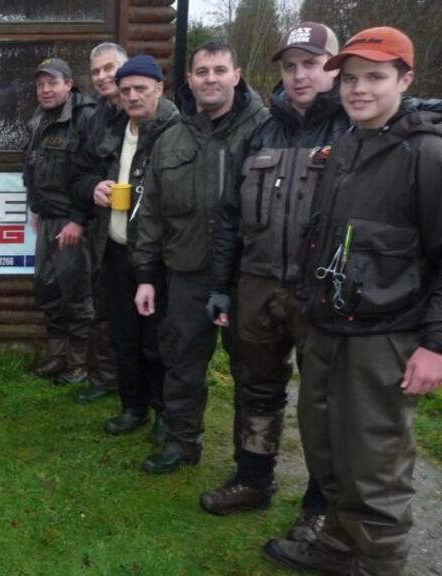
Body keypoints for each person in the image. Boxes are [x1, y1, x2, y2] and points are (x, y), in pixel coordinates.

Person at [263, 27, 442, 575]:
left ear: (405, 80)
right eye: (351, 78)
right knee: (326, 450)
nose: (358, 90)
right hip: (326, 326)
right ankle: (338, 549)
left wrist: (435, 345)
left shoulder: (428, 154)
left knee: (375, 468)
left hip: (385, 338)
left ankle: (378, 565)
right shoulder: (345, 147)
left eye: (375, 77)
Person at [203, 22, 345, 539]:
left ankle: (321, 504)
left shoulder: (359, 128)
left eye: (311, 63)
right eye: (290, 65)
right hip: (258, 284)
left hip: (323, 289)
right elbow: (228, 219)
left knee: (323, 400)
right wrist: (222, 286)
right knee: (255, 386)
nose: (300, 75)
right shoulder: (259, 133)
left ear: (335, 66)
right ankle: (253, 478)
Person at [133, 41, 267, 473]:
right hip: (187, 271)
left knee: (254, 373)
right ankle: (181, 441)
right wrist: (147, 274)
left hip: (249, 277)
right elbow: (150, 210)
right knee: (182, 360)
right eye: (202, 71)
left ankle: (251, 461)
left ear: (237, 74)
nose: (210, 78)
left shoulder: (265, 130)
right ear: (189, 80)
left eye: (219, 70)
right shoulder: (173, 137)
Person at [73, 55, 179, 441]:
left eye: (141, 89)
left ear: (159, 89)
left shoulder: (176, 132)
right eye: (126, 90)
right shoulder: (115, 128)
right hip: (115, 249)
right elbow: (81, 172)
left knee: (158, 342)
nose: (133, 96)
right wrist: (93, 187)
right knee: (124, 337)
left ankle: (163, 413)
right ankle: (132, 407)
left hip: (160, 258)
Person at [22, 58, 96, 387]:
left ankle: (79, 365)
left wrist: (78, 220)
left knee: (76, 295)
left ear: (69, 85)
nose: (46, 90)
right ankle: (57, 355)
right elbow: (34, 167)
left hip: (73, 224)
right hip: (48, 220)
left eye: (53, 83)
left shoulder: (86, 117)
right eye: (41, 84)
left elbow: (93, 174)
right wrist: (36, 206)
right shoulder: (38, 119)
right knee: (47, 289)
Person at [73, 42, 126, 404]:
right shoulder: (94, 118)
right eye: (96, 71)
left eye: (110, 68)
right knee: (103, 307)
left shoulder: (153, 113)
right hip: (103, 231)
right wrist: (92, 187)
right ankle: (106, 378)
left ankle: (140, 390)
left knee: (144, 316)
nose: (103, 76)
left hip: (145, 233)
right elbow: (78, 173)